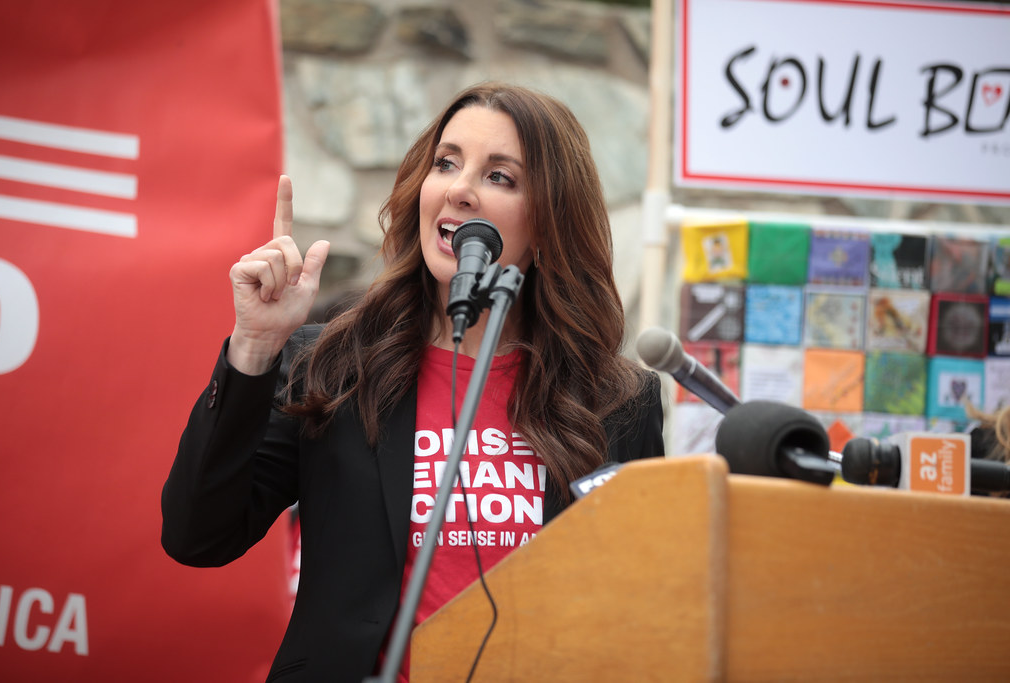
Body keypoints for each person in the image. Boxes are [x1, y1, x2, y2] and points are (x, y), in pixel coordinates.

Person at [161, 81, 665, 682]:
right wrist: (254, 346)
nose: (459, 189)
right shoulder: (335, 363)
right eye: (446, 164)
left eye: (500, 177)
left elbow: (639, 612)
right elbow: (198, 536)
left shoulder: (618, 401)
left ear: (551, 221)